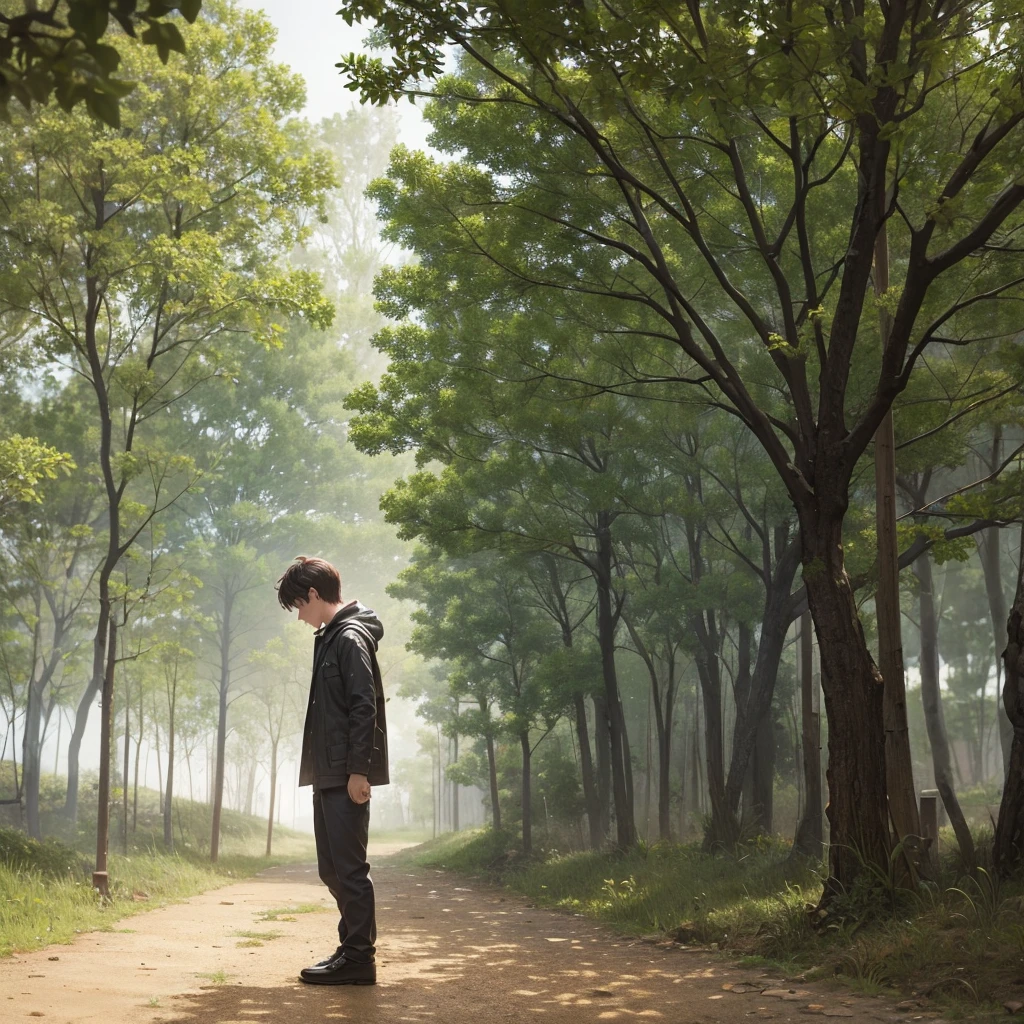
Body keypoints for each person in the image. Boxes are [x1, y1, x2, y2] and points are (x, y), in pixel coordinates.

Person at [276, 556, 389, 986]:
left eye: (298, 607)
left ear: (313, 595)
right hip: (329, 770)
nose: (300, 617)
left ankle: (360, 959)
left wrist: (359, 771)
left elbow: (365, 705)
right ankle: (351, 947)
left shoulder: (350, 637)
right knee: (332, 869)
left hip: (345, 772)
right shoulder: (332, 637)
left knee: (349, 868)